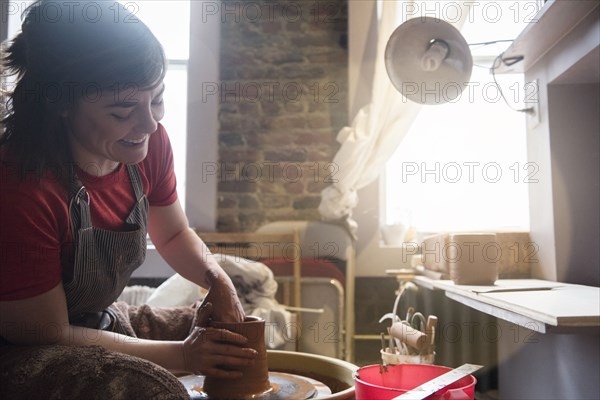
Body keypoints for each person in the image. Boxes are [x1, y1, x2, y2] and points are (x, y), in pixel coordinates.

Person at [0, 1, 256, 398]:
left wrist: (217, 280)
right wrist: (184, 357)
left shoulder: (146, 143)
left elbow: (172, 235)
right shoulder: (21, 185)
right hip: (22, 345)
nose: (149, 124)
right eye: (123, 112)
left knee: (234, 340)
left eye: (156, 100)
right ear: (62, 104)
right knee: (148, 387)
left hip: (84, 319)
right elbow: (47, 332)